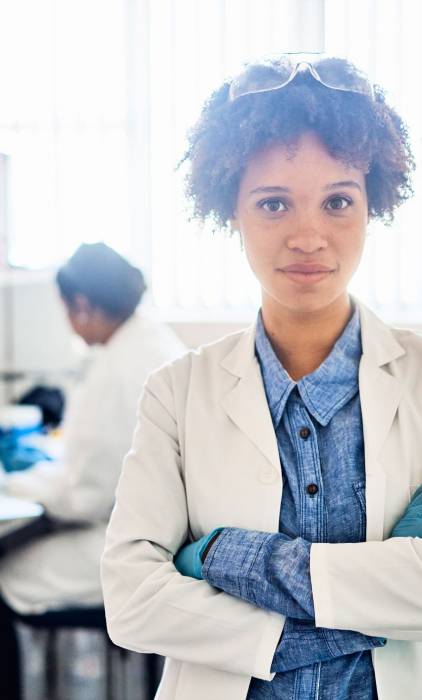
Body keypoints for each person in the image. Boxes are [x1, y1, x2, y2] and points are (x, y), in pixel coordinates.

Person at [101, 56, 422, 700]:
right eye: (273, 203)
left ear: (371, 207)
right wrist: (329, 630)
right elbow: (132, 598)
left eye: (337, 201)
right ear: (232, 213)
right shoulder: (177, 391)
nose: (308, 236)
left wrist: (223, 557)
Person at [0, 242, 186, 699]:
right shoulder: (151, 341)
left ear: (81, 305)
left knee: (4, 576)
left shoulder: (119, 368)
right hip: (167, 540)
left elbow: (82, 497)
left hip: (123, 547)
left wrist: (14, 480)